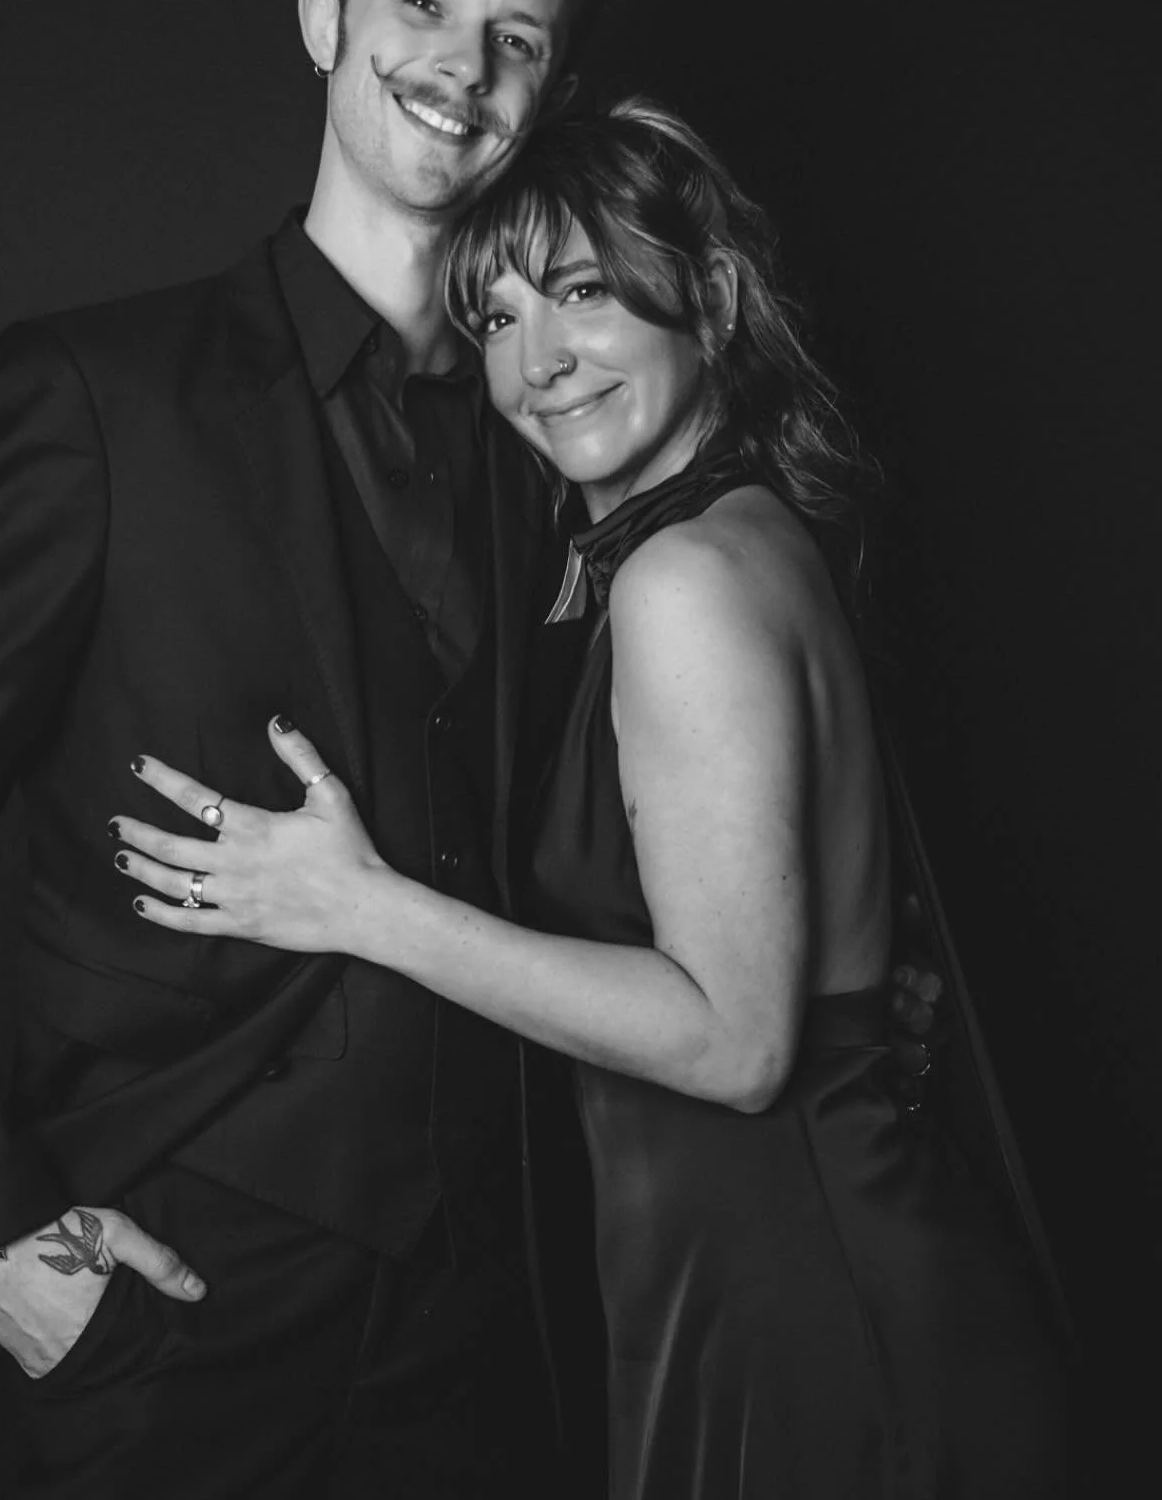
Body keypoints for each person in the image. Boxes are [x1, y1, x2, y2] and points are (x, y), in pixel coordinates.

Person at [0, 0, 634, 1498]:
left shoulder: (553, 432)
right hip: (175, 1304)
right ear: (326, 18)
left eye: (518, 38)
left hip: (500, 1329)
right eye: (423, 5)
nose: (464, 68)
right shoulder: (98, 398)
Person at [115, 99, 1066, 1497]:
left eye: (576, 291)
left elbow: (738, 1044)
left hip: (813, 1314)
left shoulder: (684, 583)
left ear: (711, 294)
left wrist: (359, 907)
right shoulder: (726, 536)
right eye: (494, 316)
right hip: (765, 1280)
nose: (535, 362)